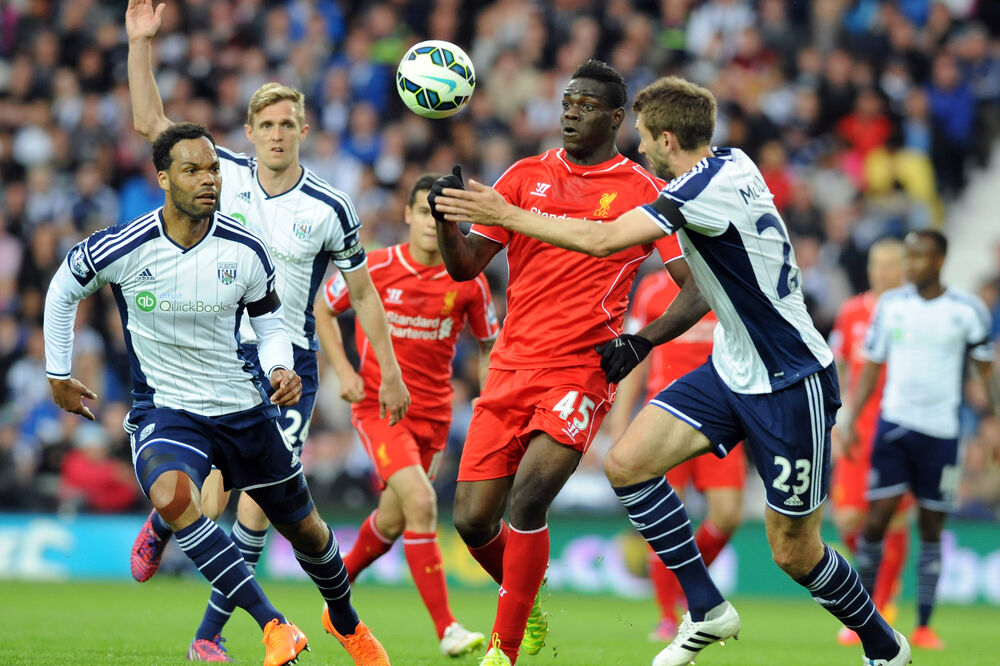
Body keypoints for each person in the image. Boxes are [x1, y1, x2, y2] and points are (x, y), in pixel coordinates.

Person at [432, 75, 910, 666]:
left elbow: (603, 241)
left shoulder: (694, 192)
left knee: (794, 551)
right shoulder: (732, 162)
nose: (637, 152)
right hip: (732, 366)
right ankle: (707, 609)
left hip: (790, 378)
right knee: (627, 464)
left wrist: (507, 213)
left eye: (643, 140)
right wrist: (643, 340)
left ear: (664, 138)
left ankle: (884, 646)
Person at [123, 2, 408, 662]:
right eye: (266, 124)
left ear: (304, 130)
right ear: (249, 131)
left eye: (288, 124)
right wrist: (141, 45)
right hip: (216, 358)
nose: (277, 135)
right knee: (225, 498)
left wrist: (383, 368)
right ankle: (204, 593)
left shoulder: (331, 207)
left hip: (288, 367)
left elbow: (361, 292)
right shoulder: (222, 175)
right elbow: (150, 124)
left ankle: (215, 627)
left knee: (259, 508)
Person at [43, 123, 388, 666]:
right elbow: (64, 286)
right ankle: (273, 624)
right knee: (174, 496)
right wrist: (57, 372)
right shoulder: (127, 245)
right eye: (191, 170)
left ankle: (345, 621)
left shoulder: (245, 248)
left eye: (212, 168)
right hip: (167, 409)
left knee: (308, 531)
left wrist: (279, 368)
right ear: (162, 178)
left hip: (241, 407)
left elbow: (270, 323)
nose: (208, 179)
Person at [429, 60, 700, 666]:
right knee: (473, 521)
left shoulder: (641, 190)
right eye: (567, 101)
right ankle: (522, 599)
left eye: (585, 104)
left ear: (615, 117)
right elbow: (467, 267)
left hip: (581, 368)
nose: (571, 112)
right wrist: (448, 223)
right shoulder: (525, 175)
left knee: (528, 499)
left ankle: (503, 651)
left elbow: (697, 287)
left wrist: (642, 340)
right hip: (510, 368)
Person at [314, 174, 498, 657]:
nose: (429, 223)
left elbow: (488, 345)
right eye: (422, 212)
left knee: (394, 521)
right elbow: (324, 308)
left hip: (435, 417)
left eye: (441, 216)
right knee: (421, 504)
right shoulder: (374, 267)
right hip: (380, 410)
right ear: (408, 215)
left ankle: (336, 595)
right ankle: (447, 628)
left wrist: (490, 396)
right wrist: (344, 370)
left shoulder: (470, 283)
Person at [841, 230, 1000, 651]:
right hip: (894, 429)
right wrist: (853, 419)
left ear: (940, 259)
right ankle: (864, 616)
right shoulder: (892, 306)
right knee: (874, 522)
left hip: (943, 435)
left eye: (920, 257)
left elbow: (986, 372)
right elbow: (871, 366)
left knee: (932, 528)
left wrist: (997, 424)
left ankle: (925, 623)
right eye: (908, 257)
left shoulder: (966, 310)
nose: (911, 265)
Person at [606, 257, 745, 643]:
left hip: (723, 416)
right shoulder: (651, 289)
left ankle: (690, 587)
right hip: (665, 417)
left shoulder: (727, 281)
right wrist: (619, 420)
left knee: (728, 515)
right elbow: (637, 355)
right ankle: (669, 616)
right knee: (672, 512)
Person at [828, 237, 911, 646]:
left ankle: (879, 603)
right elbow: (838, 365)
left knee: (893, 517)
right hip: (858, 428)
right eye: (877, 263)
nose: (882, 271)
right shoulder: (851, 312)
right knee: (847, 517)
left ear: (904, 268)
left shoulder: (912, 313)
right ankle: (872, 593)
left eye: (891, 264)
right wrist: (838, 419)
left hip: (898, 426)